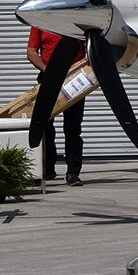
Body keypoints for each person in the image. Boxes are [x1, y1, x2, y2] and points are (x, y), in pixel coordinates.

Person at [27, 27, 86, 186]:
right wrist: (49, 71)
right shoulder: (39, 23)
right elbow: (31, 52)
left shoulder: (76, 23)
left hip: (74, 79)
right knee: (44, 126)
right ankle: (48, 169)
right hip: (48, 78)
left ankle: (73, 173)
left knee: (73, 128)